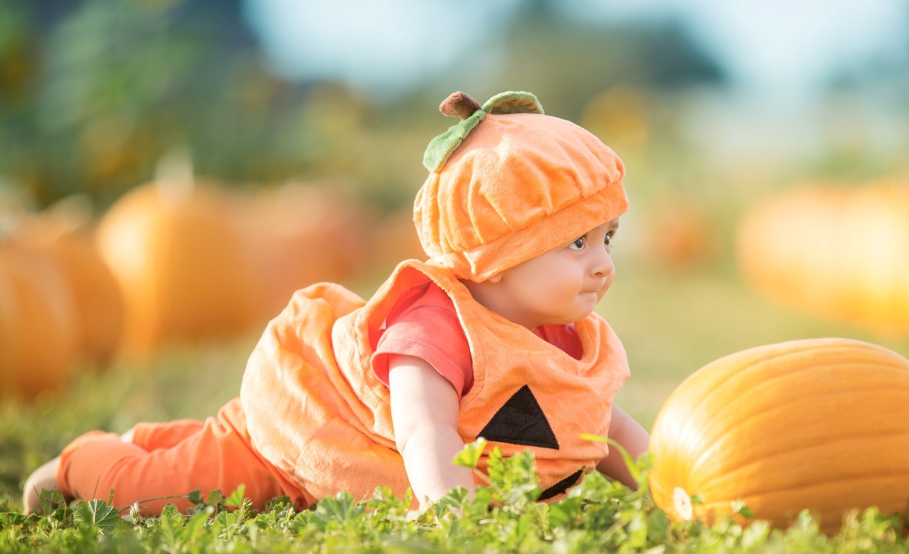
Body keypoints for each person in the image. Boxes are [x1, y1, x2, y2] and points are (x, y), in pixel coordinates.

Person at [23, 90, 650, 516]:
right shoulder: (434, 330)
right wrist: (455, 515)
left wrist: (669, 485)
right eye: (574, 242)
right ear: (495, 250)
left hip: (335, 466)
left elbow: (606, 425)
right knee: (159, 491)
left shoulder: (563, 335)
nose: (602, 262)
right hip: (294, 451)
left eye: (606, 238)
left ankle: (151, 437)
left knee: (193, 448)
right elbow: (423, 430)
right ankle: (83, 461)